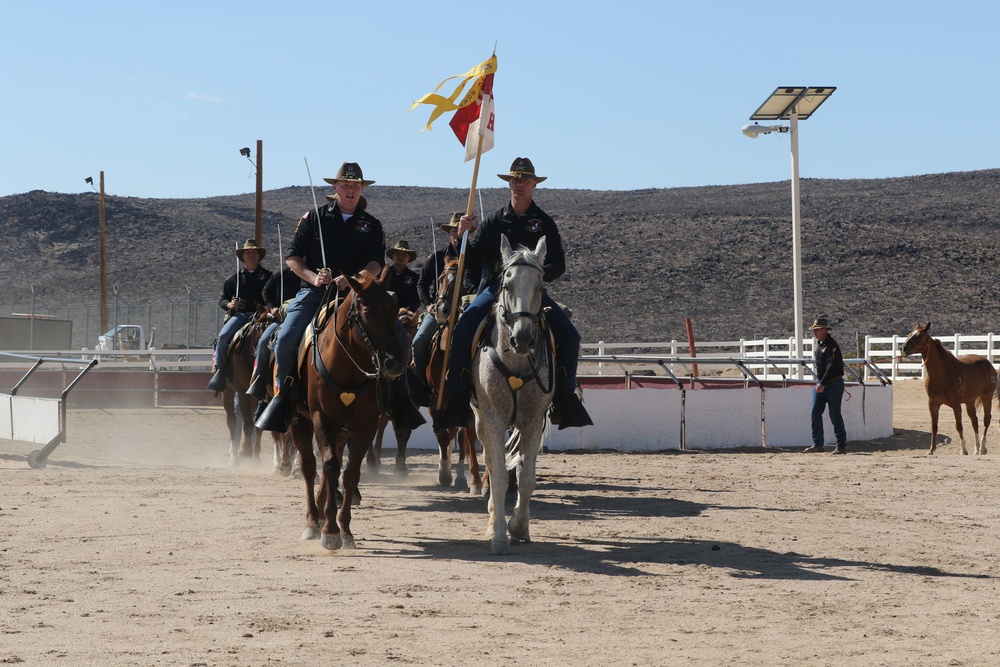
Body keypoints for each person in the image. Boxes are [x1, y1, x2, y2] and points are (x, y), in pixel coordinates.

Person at [435, 157, 592, 431]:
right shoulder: (494, 221)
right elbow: (472, 260)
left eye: (525, 180)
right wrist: (461, 237)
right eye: (515, 179)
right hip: (498, 289)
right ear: (509, 183)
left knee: (569, 336)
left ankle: (564, 399)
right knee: (462, 330)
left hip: (532, 293)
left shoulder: (544, 223)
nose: (519, 184)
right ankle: (459, 397)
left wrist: (540, 274)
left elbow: (558, 263)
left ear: (534, 184)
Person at [254, 162, 385, 432]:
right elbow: (293, 258)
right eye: (346, 185)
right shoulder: (313, 218)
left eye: (356, 186)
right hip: (314, 292)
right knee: (286, 339)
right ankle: (284, 397)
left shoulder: (372, 225)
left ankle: (395, 397)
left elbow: (376, 263)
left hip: (355, 293)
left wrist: (357, 278)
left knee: (393, 335)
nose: (351, 190)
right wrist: (314, 278)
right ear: (335, 188)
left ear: (362, 189)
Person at [410, 213, 476, 406]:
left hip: (467, 309)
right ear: (450, 232)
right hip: (439, 309)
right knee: (419, 341)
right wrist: (429, 304)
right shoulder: (437, 257)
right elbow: (422, 284)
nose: (458, 233)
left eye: (462, 230)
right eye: (454, 230)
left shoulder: (474, 258)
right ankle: (420, 386)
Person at [207, 239, 271, 393]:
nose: (251, 255)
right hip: (241, 315)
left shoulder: (269, 276)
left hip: (263, 316)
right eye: (248, 252)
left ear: (259, 256)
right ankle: (220, 372)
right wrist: (229, 305)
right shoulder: (233, 279)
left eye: (254, 252)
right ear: (243, 256)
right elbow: (222, 299)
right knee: (222, 338)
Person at [246, 265, 301, 399]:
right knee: (263, 342)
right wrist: (272, 307)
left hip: (305, 318)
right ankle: (259, 382)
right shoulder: (280, 275)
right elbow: (266, 291)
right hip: (280, 319)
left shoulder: (314, 274)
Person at [803, 315, 848, 454]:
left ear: (823, 330)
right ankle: (818, 444)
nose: (814, 332)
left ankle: (841, 446)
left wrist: (822, 383)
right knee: (815, 413)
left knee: (835, 415)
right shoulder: (820, 345)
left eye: (816, 330)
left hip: (833, 384)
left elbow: (832, 367)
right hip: (822, 383)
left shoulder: (832, 346)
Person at [385, 239, 421, 313]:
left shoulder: (415, 277)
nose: (401, 257)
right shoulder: (384, 274)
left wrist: (406, 311)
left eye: (404, 255)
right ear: (392, 256)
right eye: (397, 254)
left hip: (406, 315)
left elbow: (415, 300)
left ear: (409, 258)